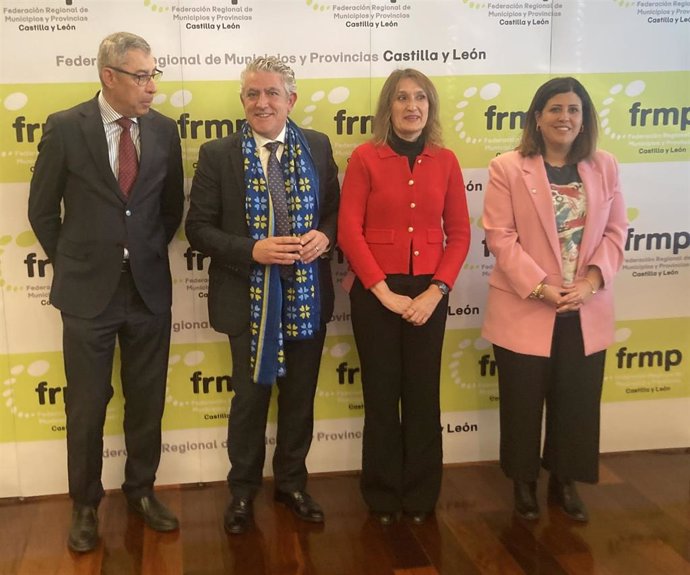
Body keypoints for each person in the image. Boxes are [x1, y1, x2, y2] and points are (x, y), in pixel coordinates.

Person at [28, 32, 184, 552]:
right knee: (88, 406)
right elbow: (42, 210)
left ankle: (141, 491)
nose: (152, 87)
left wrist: (137, 253)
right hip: (87, 295)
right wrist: (78, 261)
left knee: (147, 401)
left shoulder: (164, 131)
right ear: (108, 76)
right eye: (141, 76)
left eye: (154, 74)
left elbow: (169, 209)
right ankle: (86, 505)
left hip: (147, 290)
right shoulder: (65, 128)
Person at [185, 56, 340, 535]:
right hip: (246, 302)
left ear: (291, 99)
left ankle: (292, 484)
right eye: (252, 93)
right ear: (243, 100)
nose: (262, 102)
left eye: (272, 93)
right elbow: (198, 230)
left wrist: (325, 237)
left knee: (299, 401)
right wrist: (254, 249)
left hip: (307, 299)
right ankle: (242, 492)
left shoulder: (316, 145)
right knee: (249, 403)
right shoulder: (219, 154)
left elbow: (334, 211)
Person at [481, 77, 627, 522]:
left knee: (577, 401)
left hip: (585, 305)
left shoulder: (604, 166)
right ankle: (524, 484)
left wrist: (589, 284)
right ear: (538, 118)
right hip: (527, 304)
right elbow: (500, 238)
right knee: (523, 401)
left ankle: (565, 481)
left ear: (584, 120)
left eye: (574, 110)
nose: (565, 117)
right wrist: (543, 288)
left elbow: (616, 232)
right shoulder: (507, 166)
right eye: (555, 109)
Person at [337, 69, 471, 525]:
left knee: (421, 393)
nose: (411, 106)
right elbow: (348, 232)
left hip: (430, 292)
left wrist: (438, 290)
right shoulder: (364, 157)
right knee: (381, 393)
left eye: (419, 98)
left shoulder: (446, 160)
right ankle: (381, 495)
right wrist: (383, 291)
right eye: (401, 98)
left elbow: (461, 233)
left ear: (429, 107)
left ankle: (419, 495)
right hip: (375, 291)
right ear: (387, 108)